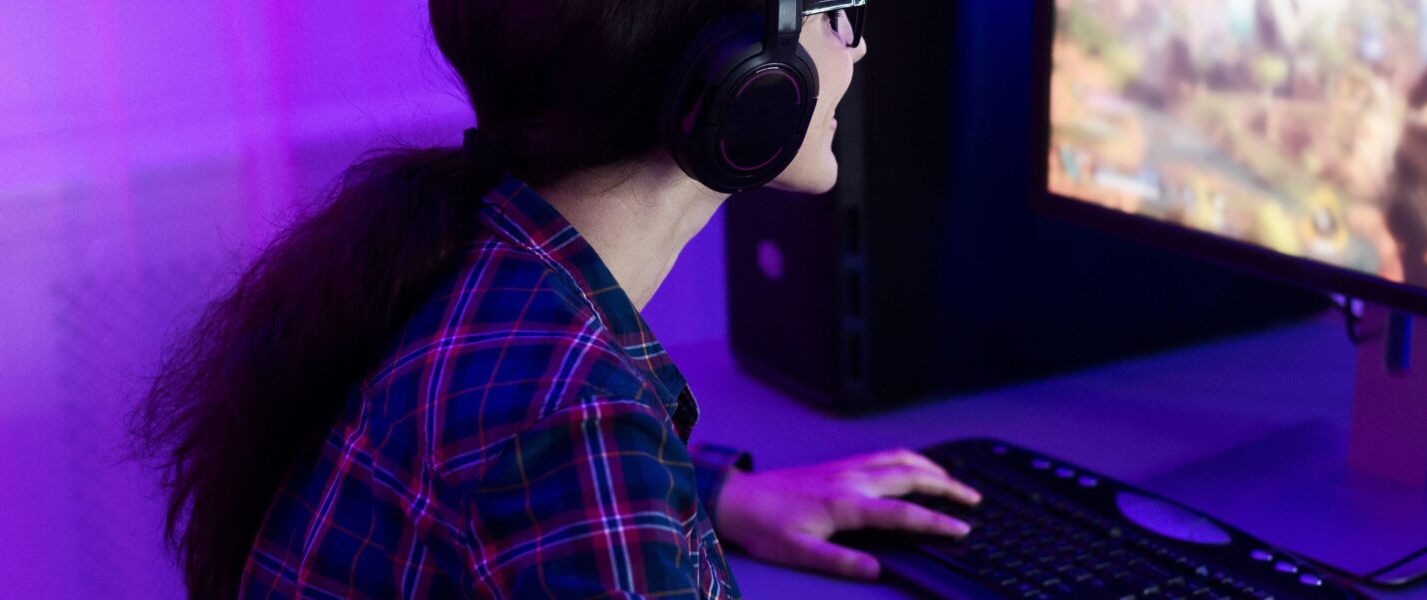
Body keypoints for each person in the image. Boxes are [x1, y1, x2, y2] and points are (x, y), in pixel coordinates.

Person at [134, 1, 980, 597]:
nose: (856, 46)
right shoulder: (575, 421)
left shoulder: (471, 261)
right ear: (741, 75)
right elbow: (550, 441)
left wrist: (711, 494)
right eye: (833, 9)